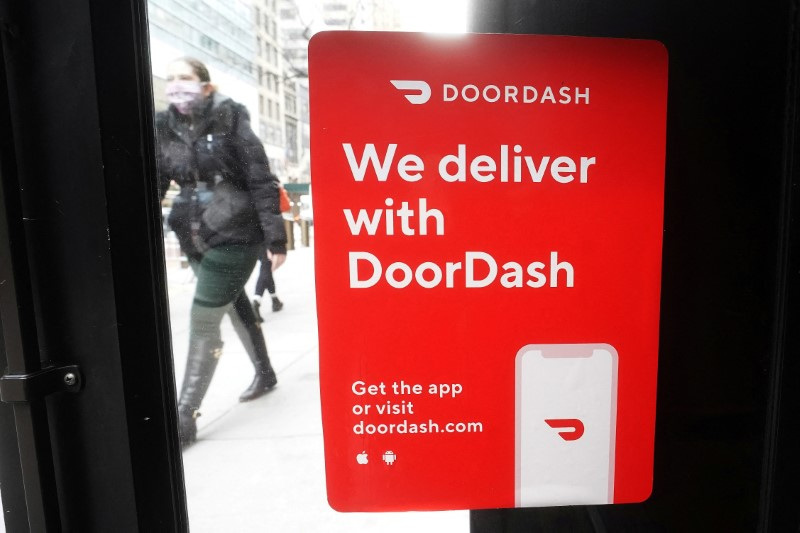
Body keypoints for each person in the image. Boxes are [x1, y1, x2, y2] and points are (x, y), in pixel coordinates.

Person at [155, 57, 287, 447]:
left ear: (206, 86)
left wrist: (275, 238)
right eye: (173, 77)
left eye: (187, 78)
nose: (178, 84)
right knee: (233, 303)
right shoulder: (163, 126)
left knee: (204, 319)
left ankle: (184, 416)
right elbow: (157, 180)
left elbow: (261, 179)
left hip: (236, 233)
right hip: (192, 234)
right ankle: (265, 372)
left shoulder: (231, 117)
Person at [252, 251, 284, 323]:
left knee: (267, 268)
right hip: (267, 244)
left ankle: (275, 300)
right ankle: (256, 302)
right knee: (266, 267)